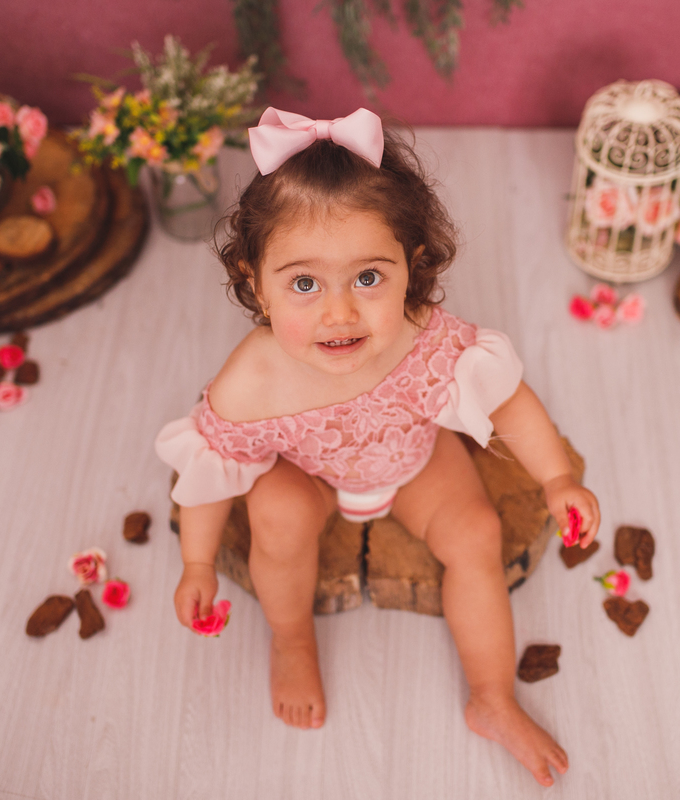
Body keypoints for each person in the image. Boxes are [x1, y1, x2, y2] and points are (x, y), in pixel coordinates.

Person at [156, 107, 600, 787]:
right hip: (310, 475)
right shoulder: (250, 383)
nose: (340, 313)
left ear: (411, 266)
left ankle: (493, 696)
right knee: (275, 516)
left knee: (478, 533)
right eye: (304, 283)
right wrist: (195, 563)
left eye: (369, 278)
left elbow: (508, 399)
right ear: (255, 282)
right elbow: (211, 478)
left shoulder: (424, 339)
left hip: (414, 459)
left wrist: (555, 481)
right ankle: (293, 636)